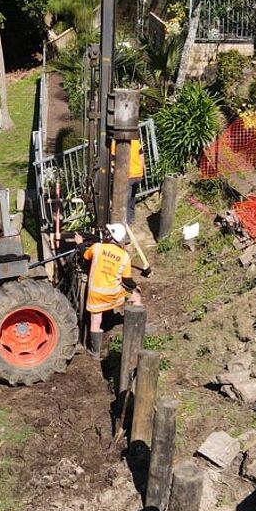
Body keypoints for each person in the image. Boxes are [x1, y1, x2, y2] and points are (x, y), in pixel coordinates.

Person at [74, 222, 142, 357]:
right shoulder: (124, 256)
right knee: (136, 298)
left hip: (95, 295)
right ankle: (137, 326)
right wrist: (135, 287)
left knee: (95, 321)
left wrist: (79, 242)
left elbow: (84, 254)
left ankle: (94, 351)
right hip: (115, 294)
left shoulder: (97, 248)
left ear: (109, 237)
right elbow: (127, 281)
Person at [111, 137, 146, 223]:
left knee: (125, 200)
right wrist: (143, 170)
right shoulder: (136, 141)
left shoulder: (115, 143)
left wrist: (114, 170)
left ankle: (126, 222)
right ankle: (131, 218)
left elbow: (112, 159)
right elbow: (142, 157)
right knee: (132, 198)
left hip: (128, 175)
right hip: (138, 173)